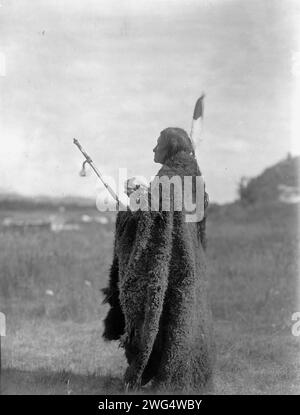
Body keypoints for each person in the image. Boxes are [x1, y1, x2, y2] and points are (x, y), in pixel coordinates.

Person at [101, 127, 214, 393]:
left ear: (169, 146)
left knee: (161, 315)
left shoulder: (170, 175)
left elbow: (150, 216)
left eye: (157, 144)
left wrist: (126, 210)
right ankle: (179, 376)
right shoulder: (191, 171)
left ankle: (162, 376)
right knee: (180, 316)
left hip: (170, 264)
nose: (153, 150)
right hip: (187, 263)